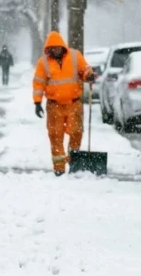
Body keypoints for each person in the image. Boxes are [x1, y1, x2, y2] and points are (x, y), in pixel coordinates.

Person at [33, 31, 95, 176]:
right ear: (48, 49)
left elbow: (84, 69)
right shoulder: (43, 63)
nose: (55, 50)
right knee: (55, 135)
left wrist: (89, 75)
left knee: (76, 132)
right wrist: (37, 103)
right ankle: (59, 168)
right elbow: (38, 83)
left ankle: (74, 162)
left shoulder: (75, 56)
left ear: (62, 46)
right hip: (54, 106)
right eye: (52, 48)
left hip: (74, 104)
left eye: (57, 47)